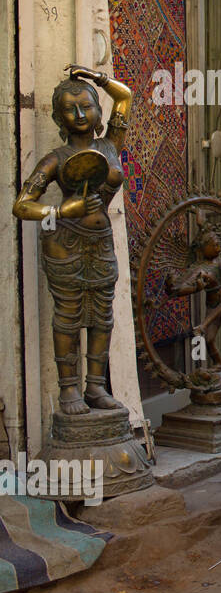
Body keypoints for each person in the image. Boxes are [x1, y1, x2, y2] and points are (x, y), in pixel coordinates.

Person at [12, 66, 130, 415]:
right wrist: (62, 211)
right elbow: (21, 206)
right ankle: (68, 391)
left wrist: (96, 77)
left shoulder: (110, 145)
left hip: (101, 240)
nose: (80, 114)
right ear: (60, 118)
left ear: (97, 111)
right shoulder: (55, 160)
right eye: (70, 109)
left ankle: (95, 386)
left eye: (87, 106)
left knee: (102, 315)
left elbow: (124, 97)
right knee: (67, 316)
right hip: (64, 242)